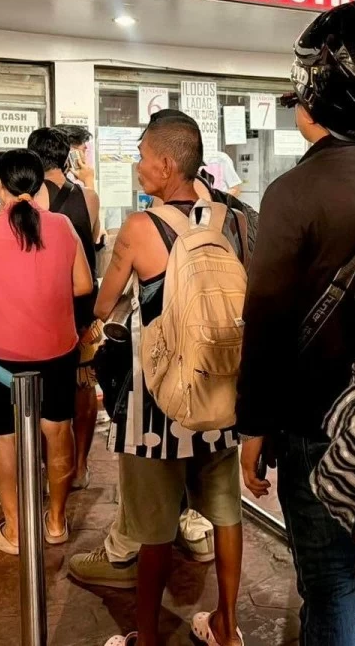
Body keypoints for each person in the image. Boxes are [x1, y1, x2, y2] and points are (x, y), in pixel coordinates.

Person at [236, 0, 355, 646]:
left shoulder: (288, 195)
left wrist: (253, 427)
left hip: (312, 427)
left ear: (316, 97)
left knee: (330, 584)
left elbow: (264, 323)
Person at [92, 111, 246, 646]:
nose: (137, 167)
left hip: (155, 400)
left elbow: (104, 302)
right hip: (222, 388)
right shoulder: (237, 219)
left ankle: (150, 638)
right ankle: (226, 626)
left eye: (140, 157)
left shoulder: (140, 228)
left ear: (165, 162)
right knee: (226, 514)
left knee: (153, 528)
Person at [0, 149, 94, 553]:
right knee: (57, 433)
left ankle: (14, 531)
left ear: (2, 185)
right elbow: (82, 286)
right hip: (58, 348)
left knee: (7, 441)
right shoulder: (62, 225)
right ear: (38, 183)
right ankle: (56, 522)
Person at [29, 127, 102, 489]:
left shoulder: (30, 202)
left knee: (46, 393)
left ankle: (50, 466)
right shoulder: (88, 197)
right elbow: (96, 240)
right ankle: (82, 464)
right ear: (66, 157)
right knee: (83, 385)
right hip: (83, 306)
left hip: (43, 308)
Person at [57, 124, 96, 191]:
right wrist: (88, 180)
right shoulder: (72, 184)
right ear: (72, 153)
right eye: (84, 150)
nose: (85, 157)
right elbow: (89, 201)